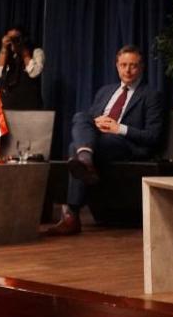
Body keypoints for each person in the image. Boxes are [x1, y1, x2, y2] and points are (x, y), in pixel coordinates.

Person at [45, 44, 165, 236]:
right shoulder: (105, 91)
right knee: (81, 117)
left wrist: (119, 128)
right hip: (99, 141)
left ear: (141, 68)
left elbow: (153, 136)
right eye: (123, 65)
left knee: (74, 147)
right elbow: (88, 126)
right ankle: (85, 160)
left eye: (133, 65)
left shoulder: (151, 96)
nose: (127, 70)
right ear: (117, 66)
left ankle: (72, 215)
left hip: (126, 144)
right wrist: (97, 123)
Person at [0, 25, 45, 110]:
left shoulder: (36, 52)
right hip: (8, 105)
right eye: (10, 38)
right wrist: (4, 49)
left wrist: (24, 53)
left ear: (24, 38)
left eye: (16, 38)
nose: (13, 41)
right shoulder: (6, 54)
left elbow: (34, 73)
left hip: (29, 106)